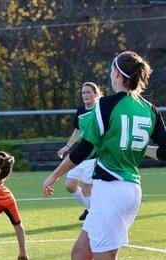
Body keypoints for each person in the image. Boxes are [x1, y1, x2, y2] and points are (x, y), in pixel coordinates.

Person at [43, 51, 166, 259]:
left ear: (117, 74)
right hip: (131, 191)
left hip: (111, 189)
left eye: (111, 70)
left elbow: (83, 149)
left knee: (103, 256)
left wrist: (54, 175)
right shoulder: (150, 109)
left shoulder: (106, 104)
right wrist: (143, 148)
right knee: (80, 254)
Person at [56, 82, 102, 221]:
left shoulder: (100, 110)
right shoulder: (81, 111)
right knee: (70, 185)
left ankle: (94, 215)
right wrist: (67, 146)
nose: (86, 95)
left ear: (96, 93)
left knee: (87, 187)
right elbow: (77, 130)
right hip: (81, 154)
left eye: (88, 92)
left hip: (94, 155)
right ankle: (91, 209)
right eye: (83, 93)